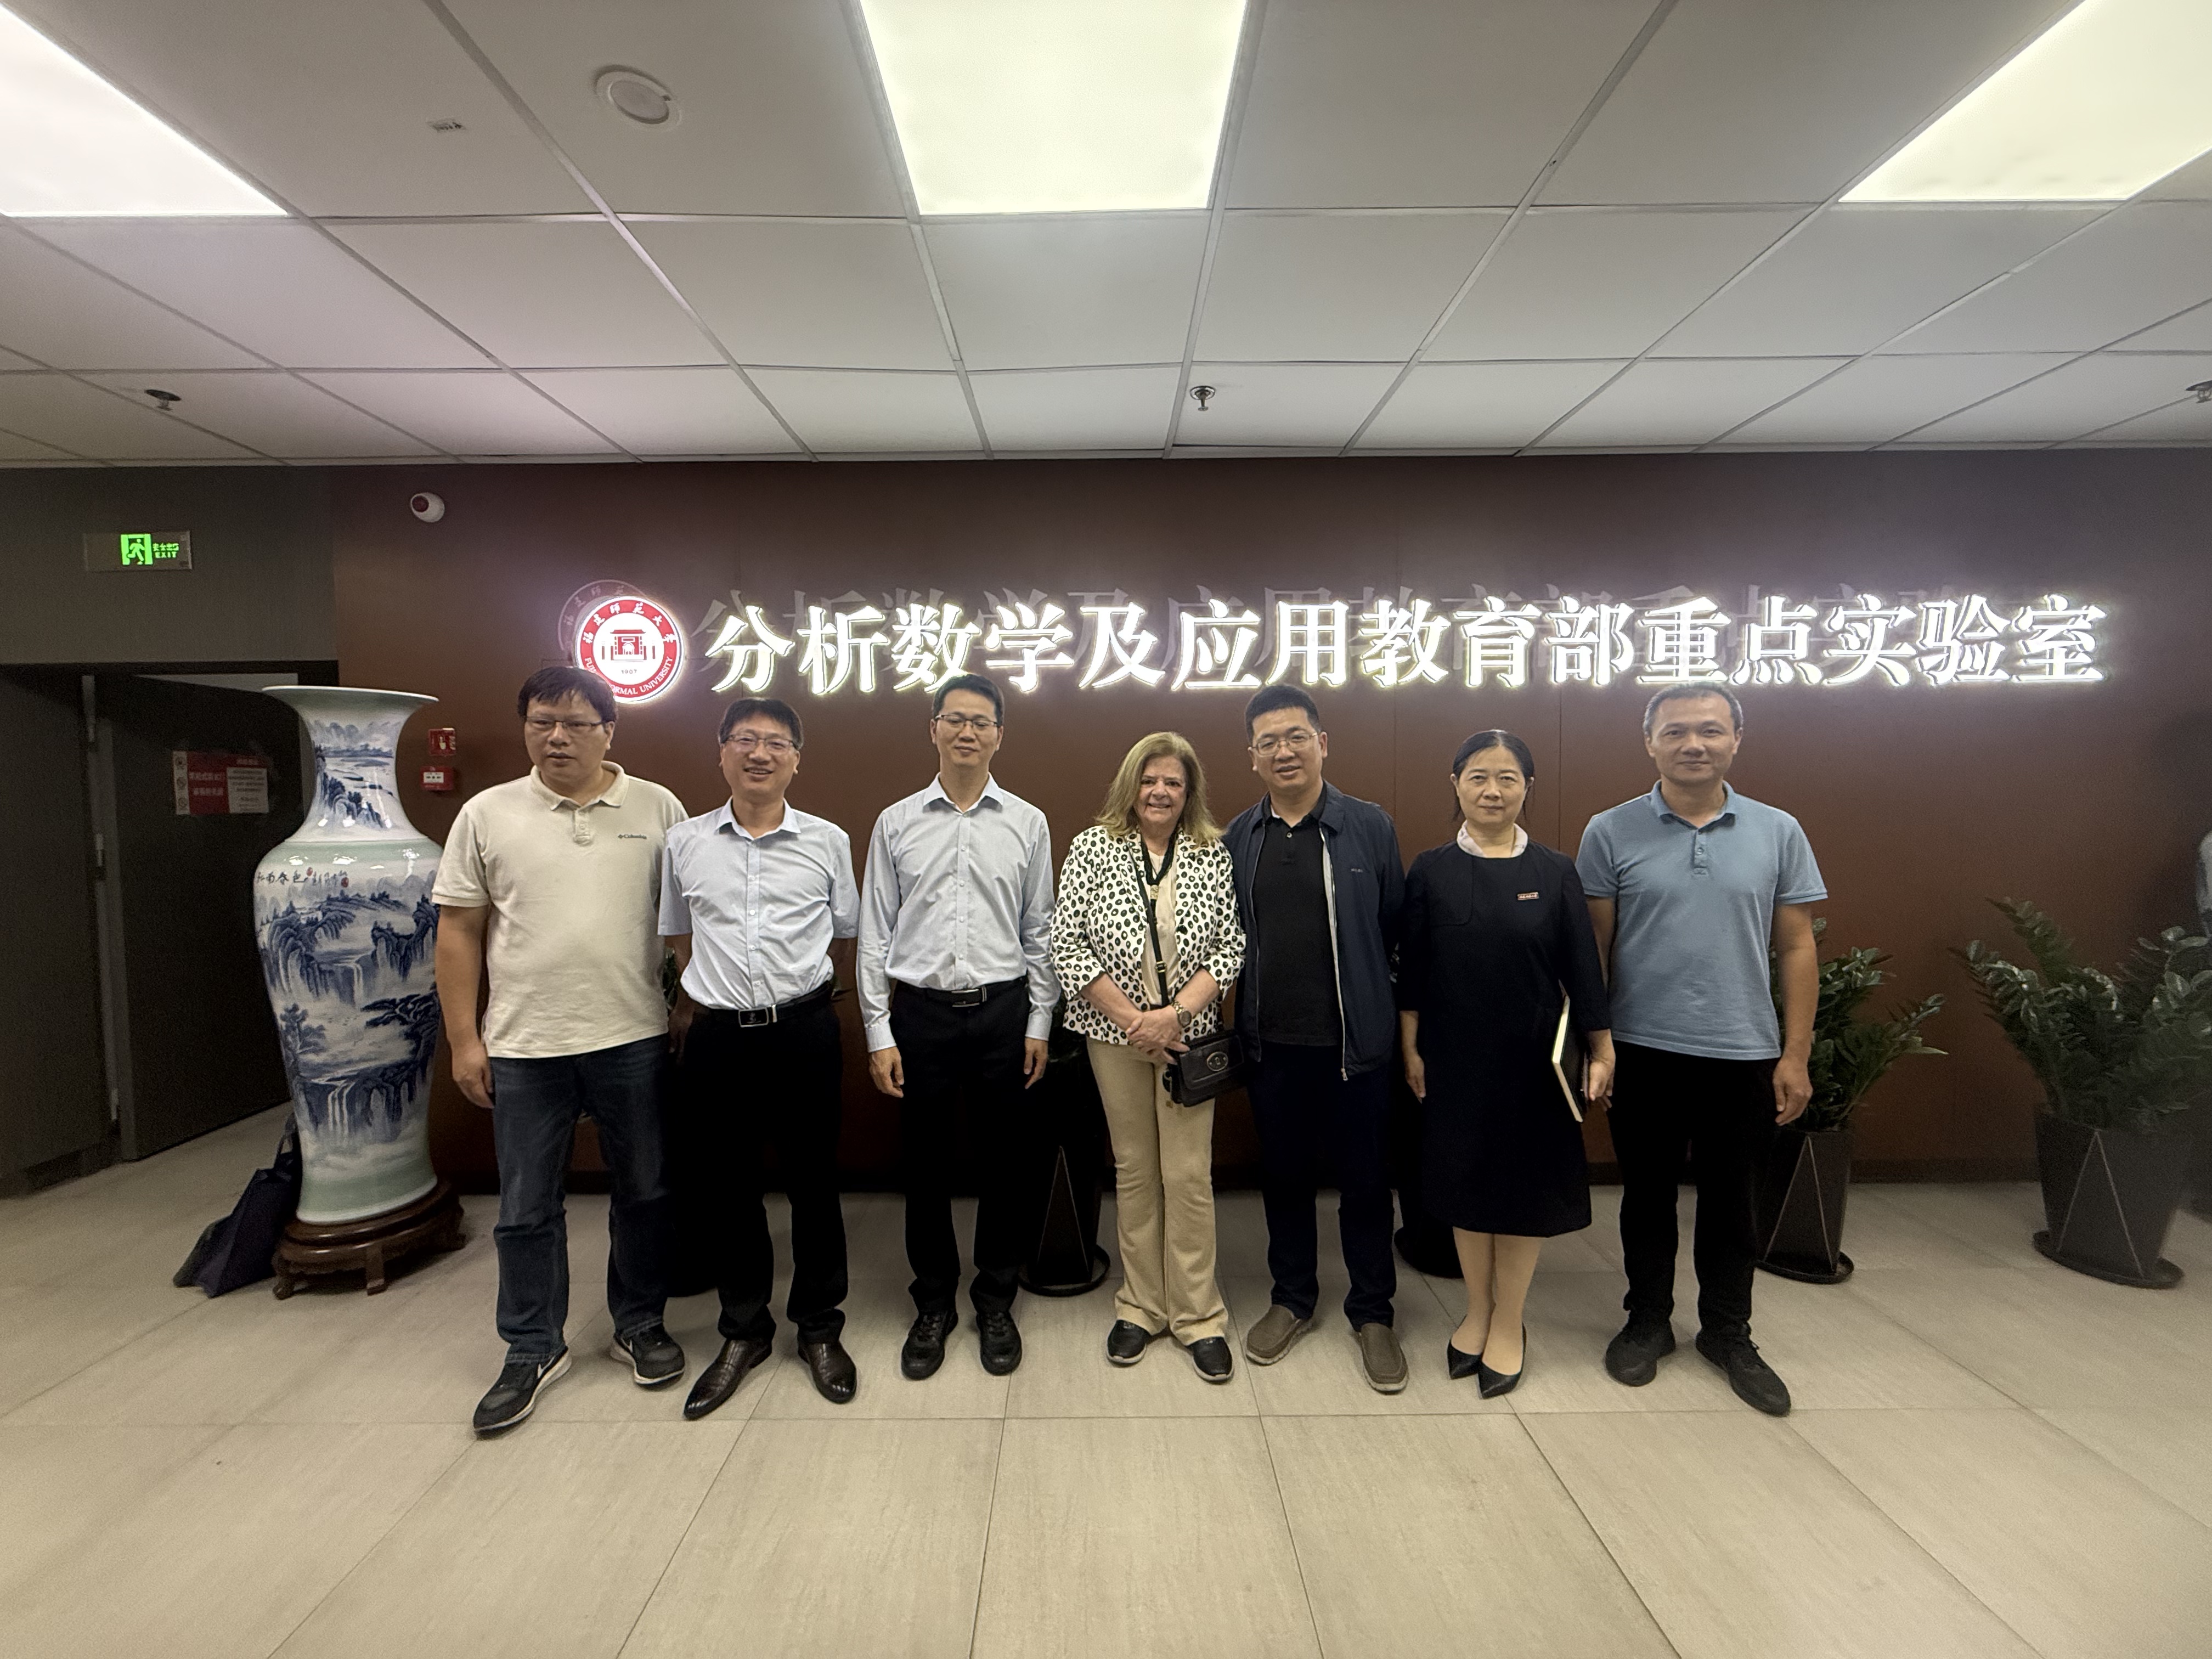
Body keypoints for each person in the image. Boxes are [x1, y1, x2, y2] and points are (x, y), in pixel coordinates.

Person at [434, 665, 690, 1435]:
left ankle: (638, 1324)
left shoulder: (657, 807)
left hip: (633, 1034)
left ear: (610, 730)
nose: (557, 738)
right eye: (542, 722)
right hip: (525, 1044)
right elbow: (459, 931)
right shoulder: (487, 813)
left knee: (645, 1192)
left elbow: (683, 919)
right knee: (525, 1206)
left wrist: (684, 1006)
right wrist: (464, 1039)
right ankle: (532, 1345)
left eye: (577, 724)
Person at [1576, 681, 1824, 1417]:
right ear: (1649, 742)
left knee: (1733, 1203)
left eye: (1711, 730)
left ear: (1736, 740)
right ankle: (1648, 1321)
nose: (1694, 744)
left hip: (1743, 1051)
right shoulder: (1610, 831)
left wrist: (1795, 1054)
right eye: (1677, 731)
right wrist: (1597, 1045)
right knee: (1647, 1197)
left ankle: (1727, 1331)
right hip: (1642, 1049)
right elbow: (1594, 947)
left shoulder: (1778, 830)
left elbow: (1797, 945)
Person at [660, 697, 860, 1419]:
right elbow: (677, 935)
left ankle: (820, 1328)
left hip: (803, 1031)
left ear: (796, 759)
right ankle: (744, 1330)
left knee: (815, 1186)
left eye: (776, 742)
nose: (759, 753)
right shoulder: (684, 843)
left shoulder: (828, 841)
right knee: (730, 1190)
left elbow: (845, 932)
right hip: (719, 1038)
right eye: (744, 739)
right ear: (722, 752)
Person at [1399, 731, 1615, 1397]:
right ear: (1456, 783)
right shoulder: (1430, 869)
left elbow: (1583, 968)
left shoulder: (1555, 871)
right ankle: (1476, 1310)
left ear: (1528, 788)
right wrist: (1410, 1046)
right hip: (1455, 1058)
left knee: (1522, 1194)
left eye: (1507, 779)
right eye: (1478, 777)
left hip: (1534, 1063)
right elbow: (1413, 971)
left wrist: (1603, 1047)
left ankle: (1510, 1320)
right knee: (1466, 1188)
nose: (1492, 791)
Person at [859, 673, 1057, 1380]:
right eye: (954, 719)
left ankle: (996, 1298)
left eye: (981, 722)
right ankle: (934, 1301)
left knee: (1007, 1166)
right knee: (926, 1168)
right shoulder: (896, 822)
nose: (967, 732)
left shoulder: (1028, 822)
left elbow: (1039, 929)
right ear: (933, 729)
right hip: (921, 1016)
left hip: (1005, 1014)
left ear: (1000, 735)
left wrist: (1040, 1020)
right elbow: (875, 933)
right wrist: (879, 1031)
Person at [1222, 686, 1408, 1393]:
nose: (1284, 751)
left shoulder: (1368, 826)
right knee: (1285, 1180)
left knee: (1366, 1184)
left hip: (1357, 1048)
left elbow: (1393, 930)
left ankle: (1373, 1312)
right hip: (1272, 1047)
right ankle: (1293, 1298)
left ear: (1322, 744)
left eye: (1296, 736)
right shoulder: (1241, 836)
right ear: (1252, 757)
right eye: (1268, 742)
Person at [1053, 732, 1246, 1383]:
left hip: (1187, 1041)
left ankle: (1198, 1316)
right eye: (1150, 780)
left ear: (1189, 793)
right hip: (1114, 1038)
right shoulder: (1093, 847)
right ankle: (1141, 1307)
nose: (1160, 792)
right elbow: (1068, 944)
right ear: (1130, 785)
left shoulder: (1210, 852)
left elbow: (1230, 946)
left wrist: (1175, 1017)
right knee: (1135, 1171)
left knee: (1188, 1175)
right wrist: (1136, 1022)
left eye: (1173, 783)